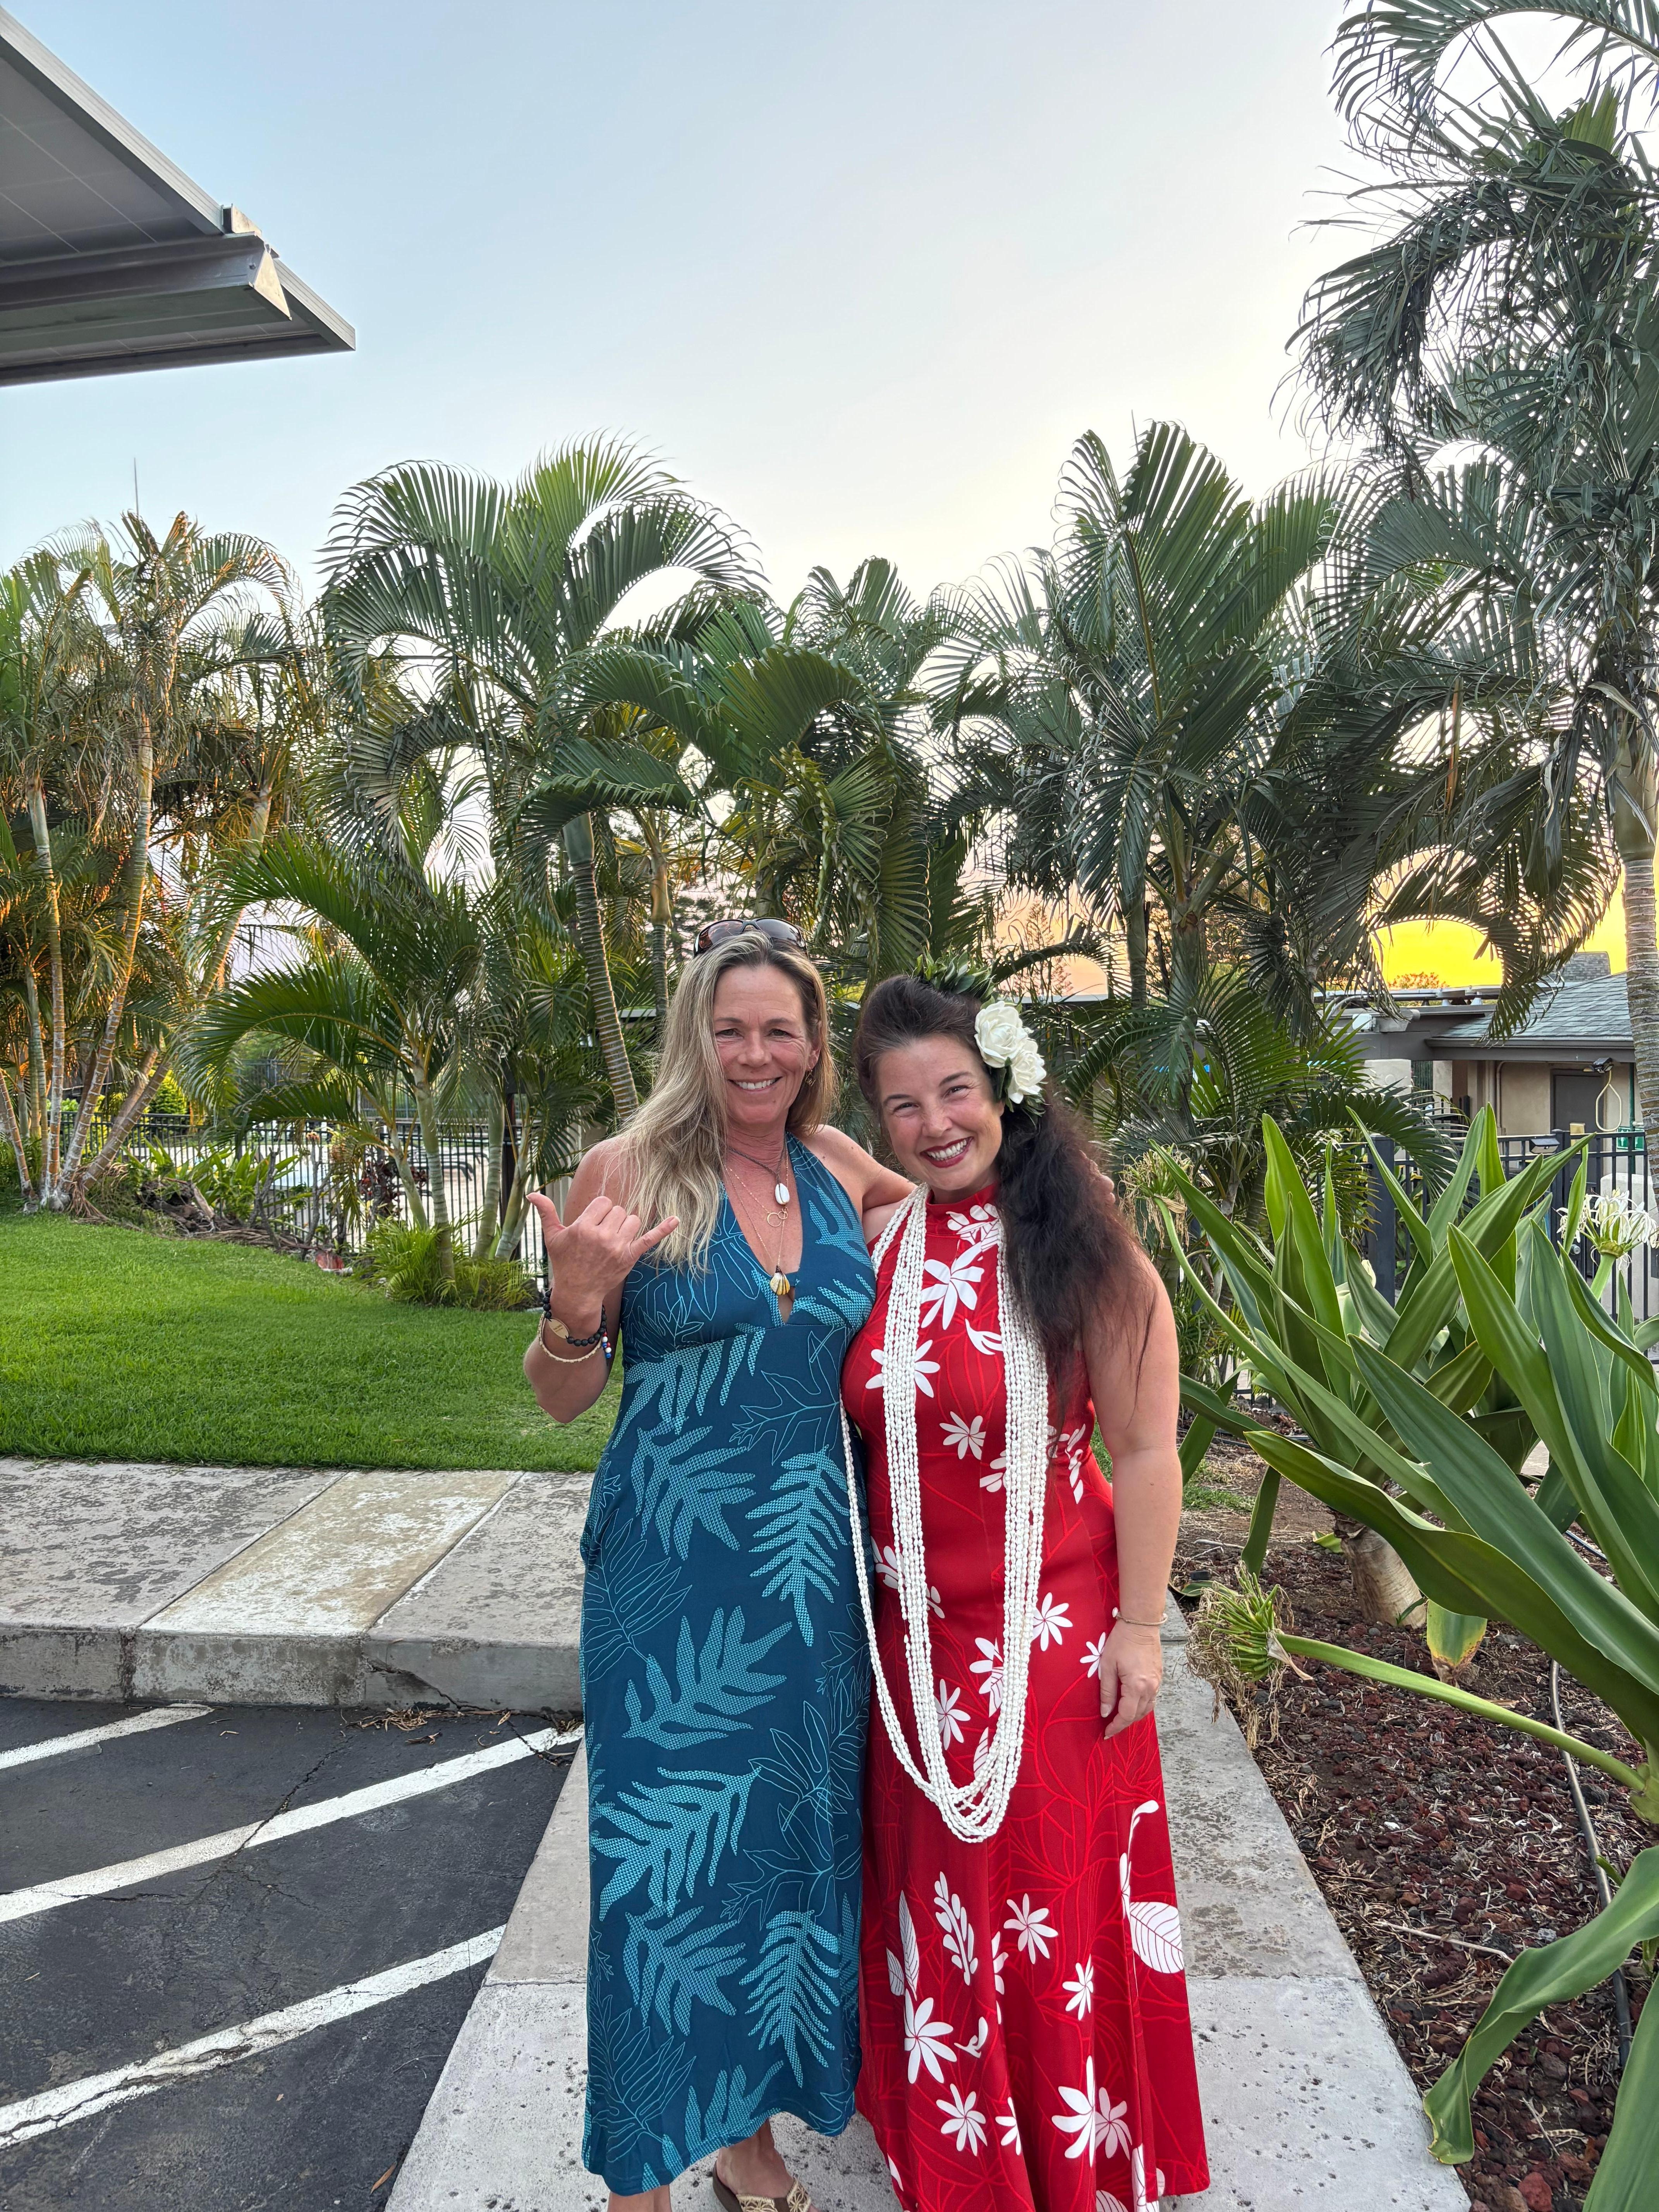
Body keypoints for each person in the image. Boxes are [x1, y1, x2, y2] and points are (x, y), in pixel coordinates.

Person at [525, 920, 911, 2212]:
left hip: (810, 1575)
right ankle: (641, 2166)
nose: (757, 1053)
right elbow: (559, 1400)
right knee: (657, 1875)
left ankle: (747, 2143)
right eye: (731, 1027)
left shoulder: (846, 1168)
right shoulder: (628, 1170)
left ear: (814, 1047)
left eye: (781, 1030)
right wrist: (575, 1308)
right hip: (673, 1575)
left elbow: (981, 1251)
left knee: (780, 1862)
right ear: (696, 1035)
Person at [840, 971, 1209, 2212]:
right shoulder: (878, 1239)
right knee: (935, 1900)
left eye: (955, 1090)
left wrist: (1142, 1631)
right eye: (903, 1105)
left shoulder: (1086, 1248)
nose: (935, 1123)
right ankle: (955, 2146)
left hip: (1049, 1643)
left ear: (1005, 1087)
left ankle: (1058, 2149)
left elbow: (1148, 1452)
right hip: (909, 1658)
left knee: (1041, 1901)